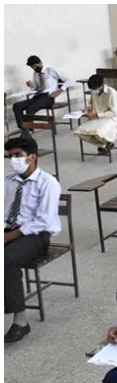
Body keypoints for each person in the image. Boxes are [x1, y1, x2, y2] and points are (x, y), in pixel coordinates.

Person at [4, 137, 61, 343]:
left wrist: (9, 236)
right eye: (11, 156)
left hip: (37, 235)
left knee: (6, 259)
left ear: (32, 157)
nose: (13, 160)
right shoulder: (8, 181)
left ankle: (21, 321)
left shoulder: (48, 183)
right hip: (9, 230)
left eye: (18, 155)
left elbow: (43, 220)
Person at [13, 55, 74, 130]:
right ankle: (23, 127)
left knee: (30, 109)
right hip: (38, 96)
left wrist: (60, 90)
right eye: (32, 67)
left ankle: (27, 131)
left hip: (48, 97)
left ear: (40, 62)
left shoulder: (50, 70)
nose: (34, 68)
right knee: (17, 106)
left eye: (35, 66)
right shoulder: (35, 73)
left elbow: (70, 80)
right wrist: (32, 85)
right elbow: (37, 88)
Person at [73, 74, 117, 154]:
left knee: (98, 132)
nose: (94, 90)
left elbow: (114, 112)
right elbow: (91, 104)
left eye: (95, 88)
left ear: (101, 85)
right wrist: (87, 109)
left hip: (110, 119)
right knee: (80, 132)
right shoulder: (94, 92)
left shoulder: (112, 93)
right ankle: (105, 144)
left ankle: (107, 143)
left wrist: (97, 114)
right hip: (96, 118)